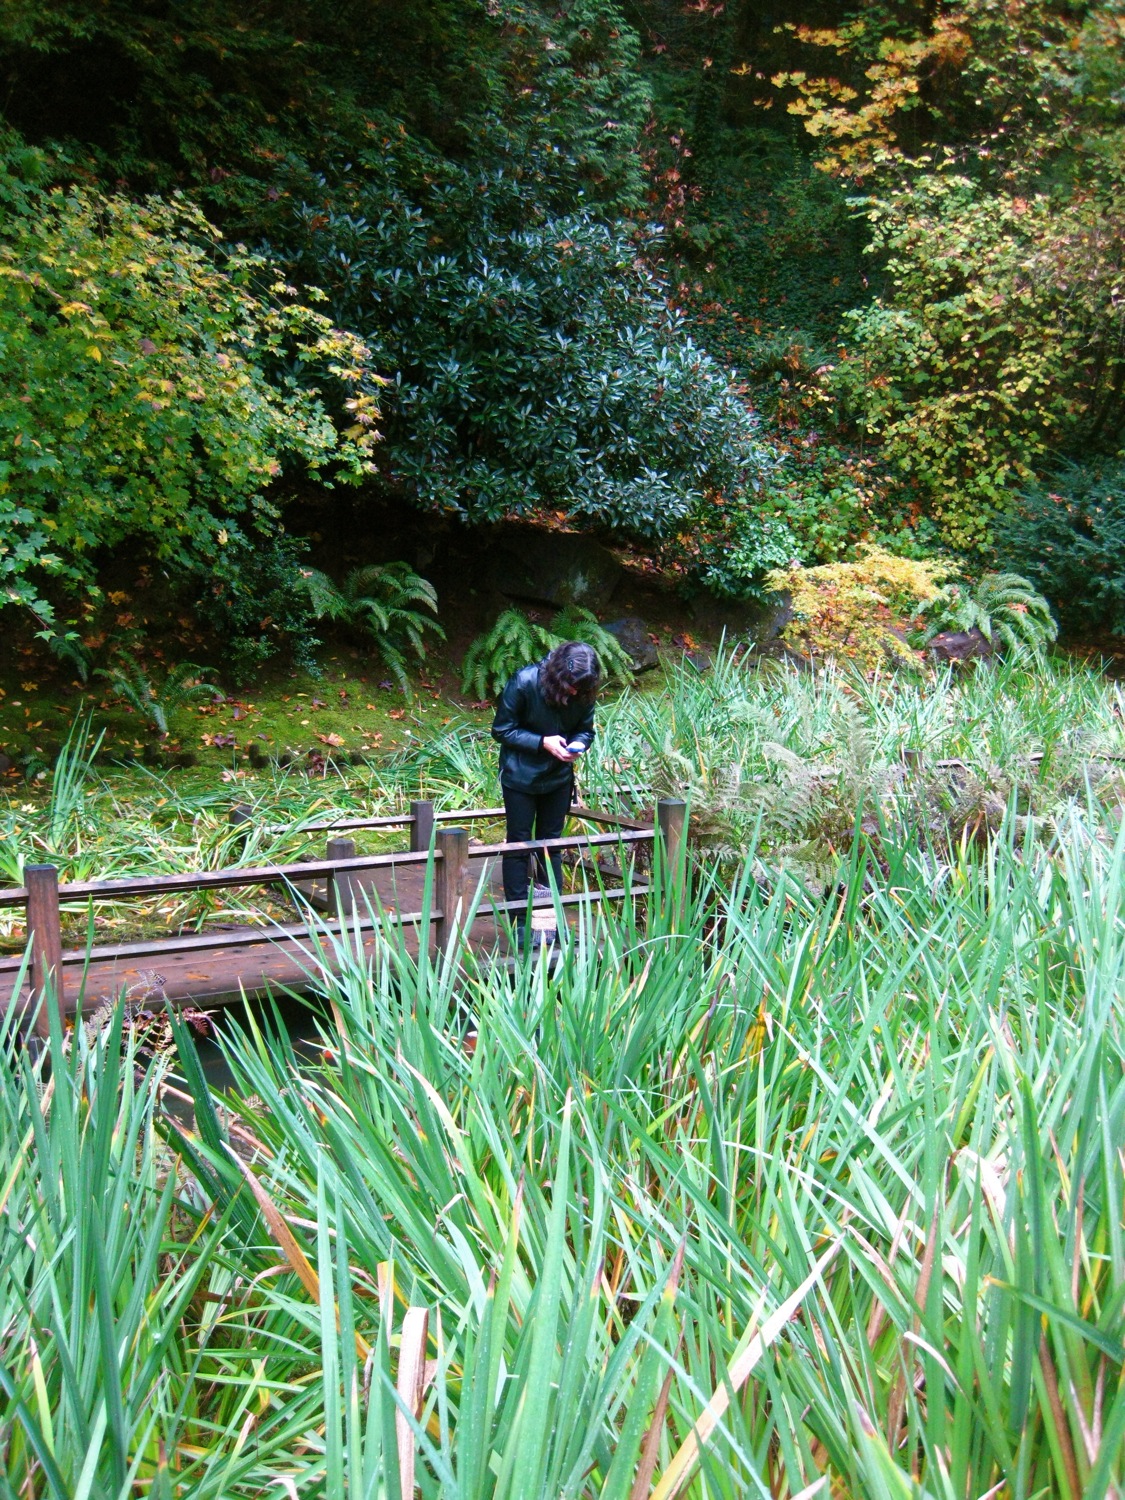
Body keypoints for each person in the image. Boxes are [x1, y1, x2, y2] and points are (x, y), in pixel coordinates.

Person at [491, 641, 600, 947]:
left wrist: (579, 745)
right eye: (572, 686)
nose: (575, 693)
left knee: (551, 845)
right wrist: (542, 742)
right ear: (558, 674)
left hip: (558, 777)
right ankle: (520, 923)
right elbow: (502, 729)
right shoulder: (525, 681)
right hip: (520, 776)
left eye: (582, 688)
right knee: (520, 843)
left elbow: (586, 729)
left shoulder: (584, 690)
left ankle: (549, 922)